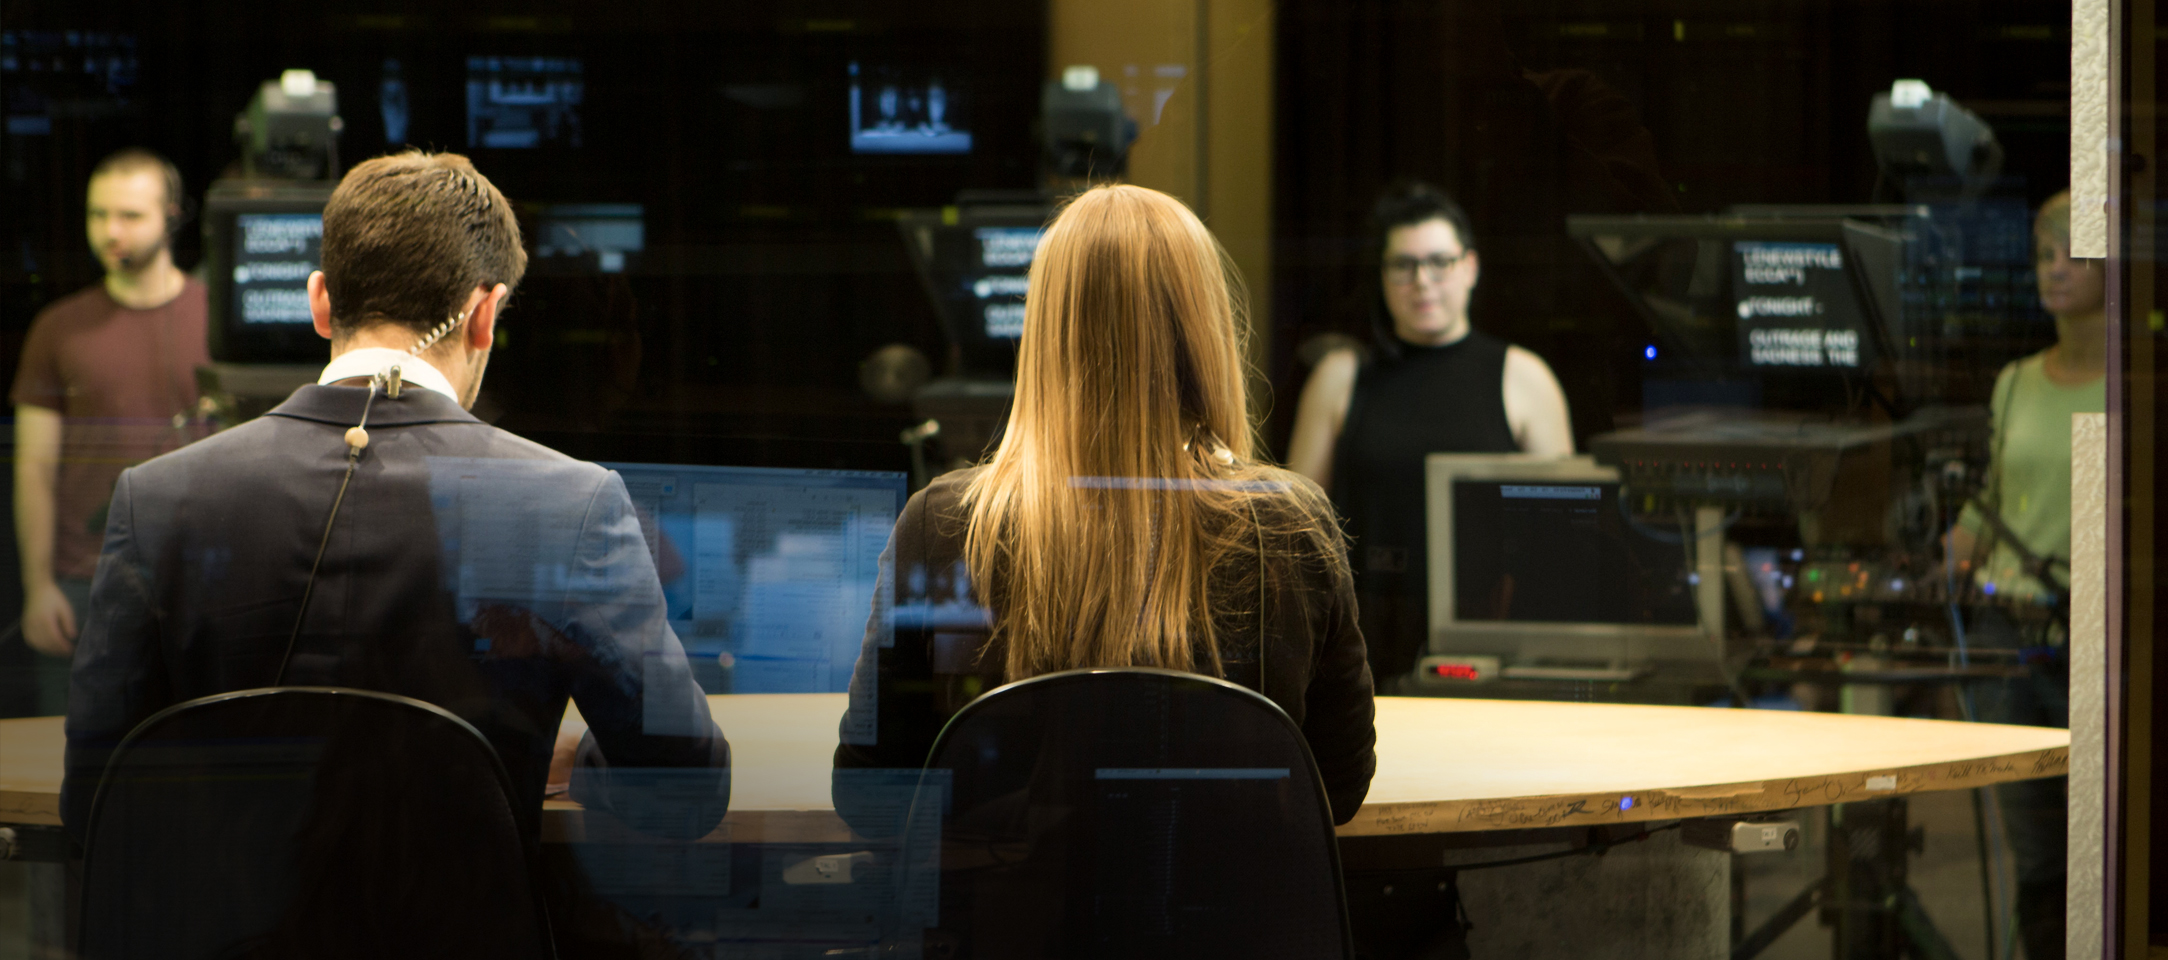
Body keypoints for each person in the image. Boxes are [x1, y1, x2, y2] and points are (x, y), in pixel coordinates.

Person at [63, 151, 731, 846]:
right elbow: (688, 787)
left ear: (320, 303)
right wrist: (573, 763)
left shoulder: (156, 498)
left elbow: (94, 802)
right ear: (485, 315)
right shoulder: (573, 504)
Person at [835, 184, 1377, 821]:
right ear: (1205, 331)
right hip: (1225, 919)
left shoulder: (947, 523)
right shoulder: (1287, 523)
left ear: (1046, 331)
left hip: (1011, 918)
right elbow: (1336, 788)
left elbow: (869, 797)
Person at [1286, 182, 1574, 683]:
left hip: (1492, 647)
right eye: (1404, 265)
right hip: (1361, 645)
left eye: (1439, 262)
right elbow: (1292, 532)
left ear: (1470, 267)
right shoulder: (1340, 377)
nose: (1422, 280)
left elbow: (1563, 537)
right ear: (1383, 275)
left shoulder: (1524, 377)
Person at [1942, 191, 2100, 960]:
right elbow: (1991, 501)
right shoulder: (2014, 382)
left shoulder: (2133, 385)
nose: (2053, 269)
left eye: (2070, 250)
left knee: (2101, 851)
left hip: (2094, 640)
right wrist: (1947, 554)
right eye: (2043, 253)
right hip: (2012, 639)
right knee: (2036, 861)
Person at [10, 149, 211, 717]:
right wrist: (37, 586)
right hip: (84, 580)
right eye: (98, 215)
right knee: (73, 760)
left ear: (171, 216)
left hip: (199, 577)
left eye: (128, 215)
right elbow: (33, 467)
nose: (109, 231)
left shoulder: (215, 319)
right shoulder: (58, 328)